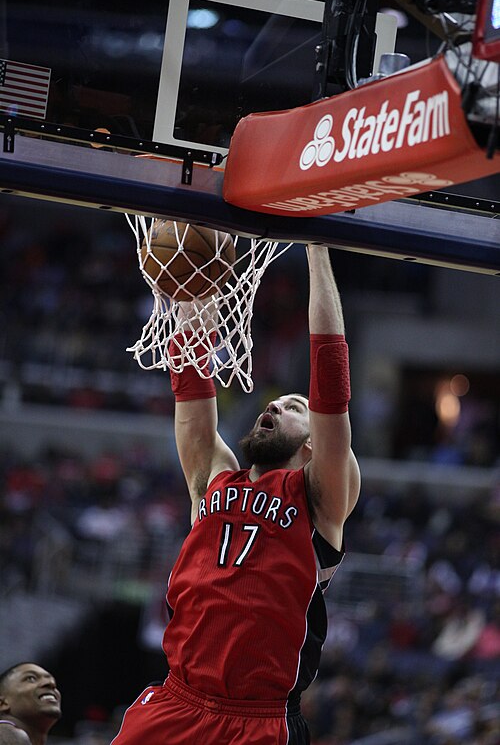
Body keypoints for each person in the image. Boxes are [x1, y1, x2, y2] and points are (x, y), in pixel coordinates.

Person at [112, 244, 361, 745]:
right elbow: (190, 385)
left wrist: (316, 247)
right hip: (175, 700)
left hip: (258, 720)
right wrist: (191, 277)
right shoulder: (212, 477)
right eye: (275, 401)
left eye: (294, 406)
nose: (274, 403)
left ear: (315, 441)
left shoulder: (320, 495)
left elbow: (331, 382)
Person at [0, 663, 62, 745]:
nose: (50, 683)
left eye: (53, 681)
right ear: (2, 703)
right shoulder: (8, 735)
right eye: (31, 678)